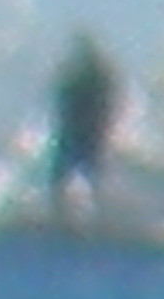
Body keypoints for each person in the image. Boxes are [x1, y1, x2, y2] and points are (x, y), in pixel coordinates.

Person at [47, 34, 120, 209]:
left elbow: (63, 96)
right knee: (76, 170)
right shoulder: (93, 76)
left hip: (84, 131)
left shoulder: (86, 76)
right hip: (82, 130)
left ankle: (88, 203)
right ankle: (71, 204)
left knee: (77, 169)